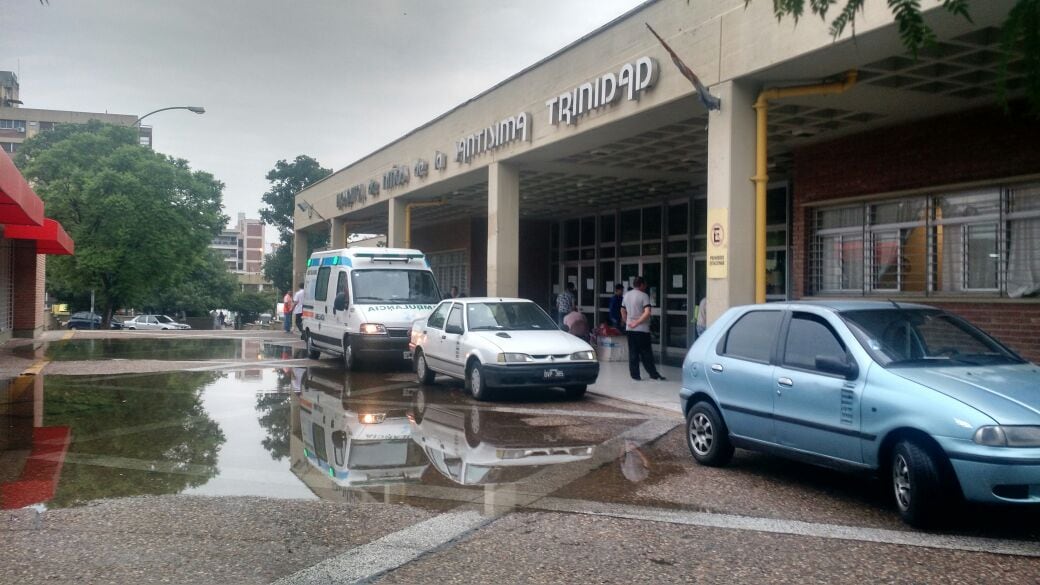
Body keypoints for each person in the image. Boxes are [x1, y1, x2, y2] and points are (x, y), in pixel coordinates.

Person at [621, 276, 665, 382]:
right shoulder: (644, 295)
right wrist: (637, 322)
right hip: (642, 329)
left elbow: (622, 310)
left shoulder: (626, 295)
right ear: (641, 285)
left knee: (633, 352)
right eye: (644, 284)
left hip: (630, 329)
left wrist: (628, 321)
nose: (645, 286)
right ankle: (653, 374)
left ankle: (635, 375)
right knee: (646, 353)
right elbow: (647, 312)